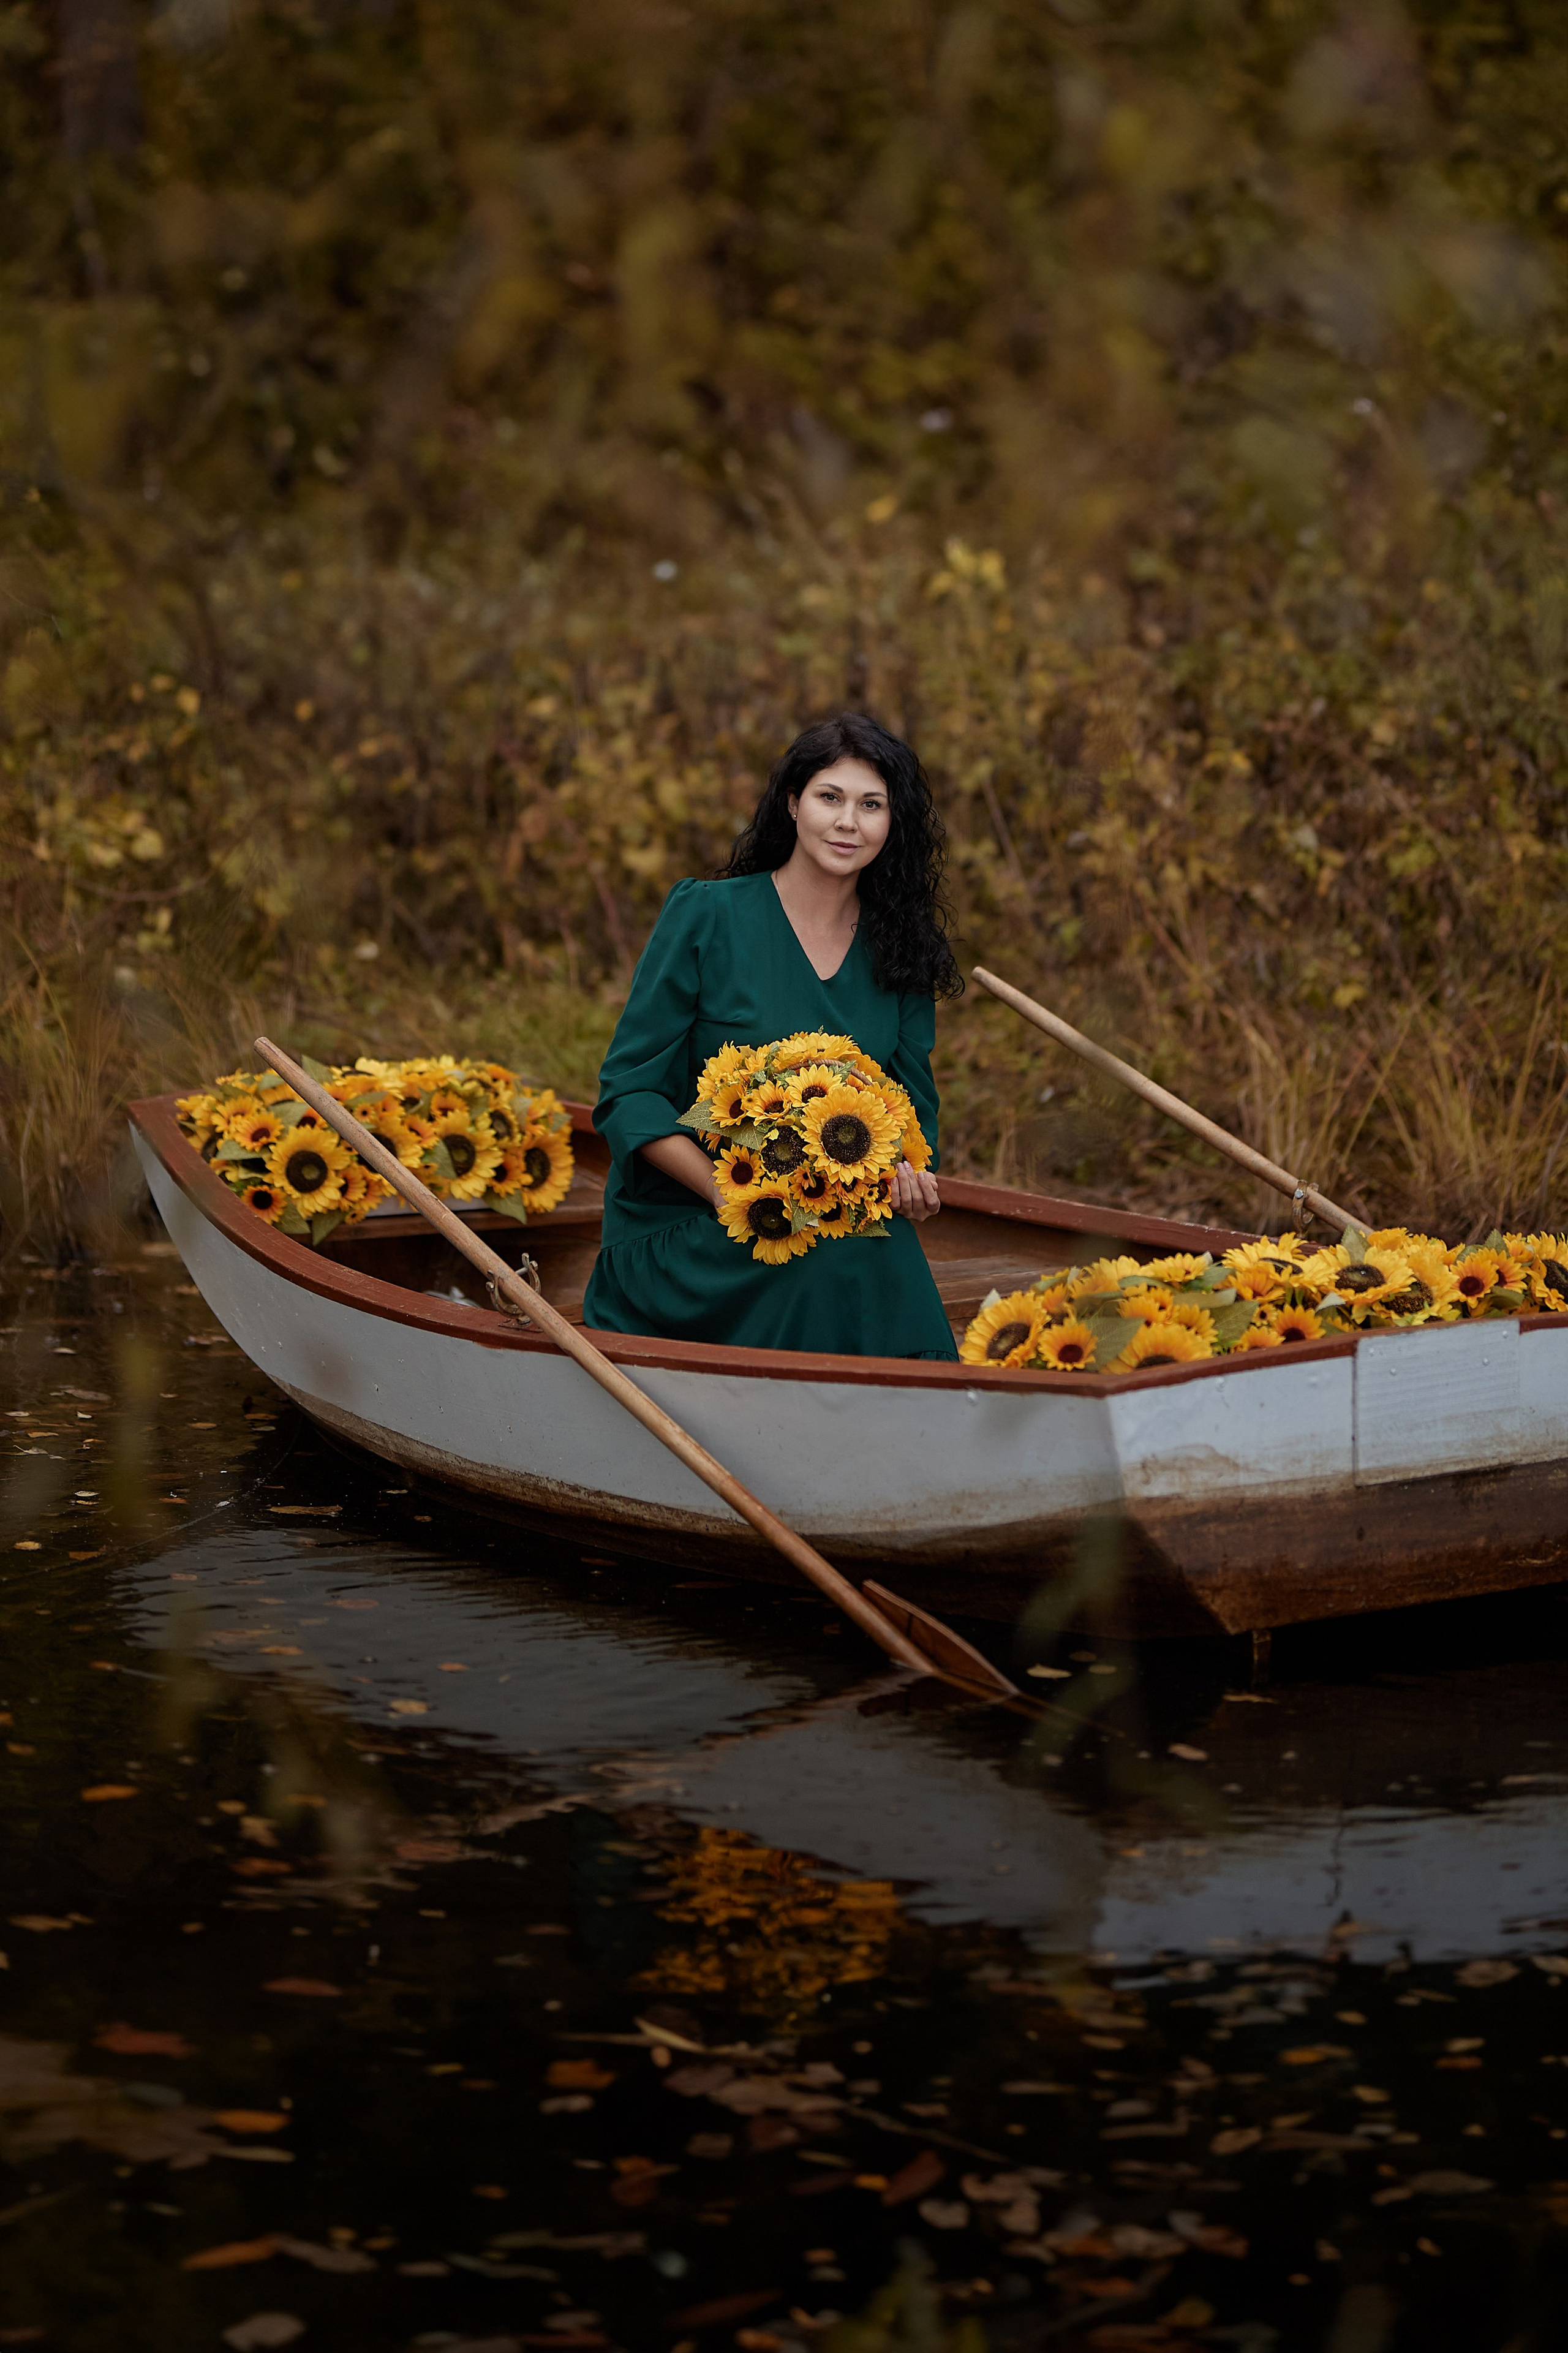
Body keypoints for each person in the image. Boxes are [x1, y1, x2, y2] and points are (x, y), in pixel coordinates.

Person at [584, 712, 963, 1359]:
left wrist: (910, 1180)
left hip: (829, 1214)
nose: (849, 822)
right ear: (793, 803)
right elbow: (629, 1093)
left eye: (871, 805)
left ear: (892, 822)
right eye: (830, 797)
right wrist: (728, 1191)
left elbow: (910, 1113)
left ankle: (927, 1411)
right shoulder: (706, 915)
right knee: (834, 1260)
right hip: (696, 1218)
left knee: (882, 1248)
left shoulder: (902, 951)